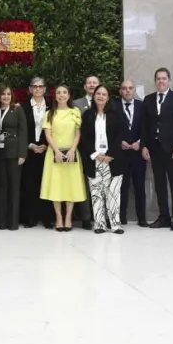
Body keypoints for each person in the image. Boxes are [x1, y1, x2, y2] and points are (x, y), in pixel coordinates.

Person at [141, 67, 173, 231]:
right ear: (155, 81)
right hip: (155, 149)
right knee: (159, 185)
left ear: (169, 81)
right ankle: (164, 217)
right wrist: (144, 145)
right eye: (158, 79)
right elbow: (145, 126)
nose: (161, 81)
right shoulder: (148, 99)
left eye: (164, 78)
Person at [41, 84, 87, 231]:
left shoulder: (75, 112)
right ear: (55, 96)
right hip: (54, 154)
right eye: (59, 93)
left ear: (69, 95)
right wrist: (56, 151)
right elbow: (48, 134)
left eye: (64, 92)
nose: (61, 95)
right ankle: (59, 218)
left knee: (70, 185)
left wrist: (73, 149)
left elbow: (77, 133)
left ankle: (68, 217)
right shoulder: (49, 114)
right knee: (56, 185)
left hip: (72, 154)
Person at [80, 85, 124, 234]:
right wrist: (95, 154)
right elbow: (84, 138)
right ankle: (99, 224)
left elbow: (119, 136)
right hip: (94, 159)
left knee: (113, 193)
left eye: (103, 94)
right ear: (94, 96)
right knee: (96, 193)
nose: (100, 96)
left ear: (108, 97)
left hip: (113, 160)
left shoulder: (115, 114)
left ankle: (115, 224)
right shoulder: (87, 115)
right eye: (98, 93)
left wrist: (110, 154)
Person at [0, 84, 27, 230]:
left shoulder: (17, 109)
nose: (6, 97)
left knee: (14, 187)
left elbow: (23, 131)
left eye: (8, 94)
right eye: (3, 94)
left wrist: (22, 153)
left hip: (14, 153)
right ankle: (2, 221)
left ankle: (13, 222)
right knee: (2, 186)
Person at [70, 74, 100, 229]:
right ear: (84, 86)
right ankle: (86, 218)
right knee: (84, 184)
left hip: (103, 150)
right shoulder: (76, 104)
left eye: (95, 83)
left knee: (101, 183)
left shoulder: (106, 102)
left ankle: (101, 215)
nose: (92, 85)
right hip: (82, 149)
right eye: (89, 83)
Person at [21, 77, 51, 228]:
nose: (38, 89)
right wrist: (30, 145)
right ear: (30, 89)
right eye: (35, 86)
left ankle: (46, 217)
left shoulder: (52, 107)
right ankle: (30, 217)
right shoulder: (23, 107)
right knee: (30, 184)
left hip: (47, 150)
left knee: (47, 183)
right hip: (30, 150)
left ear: (45, 89)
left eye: (41, 86)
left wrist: (46, 145)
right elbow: (20, 130)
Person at [117, 80, 147, 227]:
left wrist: (140, 143)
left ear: (134, 90)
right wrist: (119, 142)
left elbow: (147, 127)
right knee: (122, 187)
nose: (127, 91)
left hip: (137, 153)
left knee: (140, 186)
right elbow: (110, 129)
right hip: (121, 153)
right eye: (124, 88)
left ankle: (142, 218)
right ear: (120, 91)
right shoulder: (114, 107)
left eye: (130, 88)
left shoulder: (142, 106)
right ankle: (121, 217)